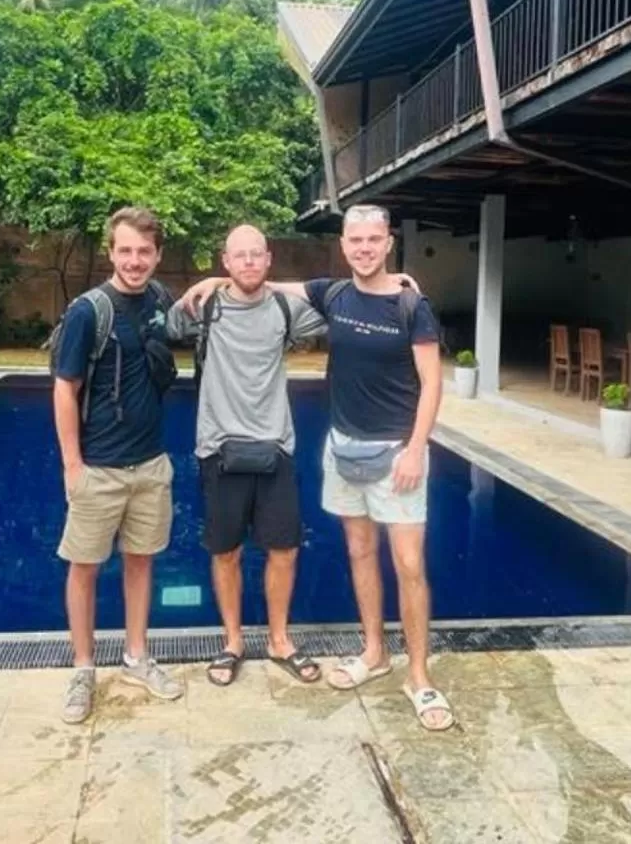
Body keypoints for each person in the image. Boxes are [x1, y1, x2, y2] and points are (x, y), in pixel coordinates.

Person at [180, 205, 449, 730]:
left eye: (373, 240)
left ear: (388, 243)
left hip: (397, 450)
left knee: (409, 565)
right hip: (344, 448)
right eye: (355, 240)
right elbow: (264, 282)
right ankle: (374, 653)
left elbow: (433, 382)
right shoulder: (333, 294)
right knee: (360, 553)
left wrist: (418, 447)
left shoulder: (412, 306)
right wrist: (217, 279)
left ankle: (420, 676)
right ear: (343, 245)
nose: (364, 248)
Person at [167, 225, 329, 688]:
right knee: (226, 551)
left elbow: (337, 307)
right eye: (239, 256)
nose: (249, 262)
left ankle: (279, 639)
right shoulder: (206, 306)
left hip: (275, 445)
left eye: (256, 254)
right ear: (226, 260)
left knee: (284, 549)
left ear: (269, 259)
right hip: (219, 448)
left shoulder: (285, 308)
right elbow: (168, 324)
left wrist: (394, 281)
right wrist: (209, 285)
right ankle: (233, 641)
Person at [50, 206, 185, 724]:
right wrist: (72, 465)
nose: (134, 261)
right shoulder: (89, 311)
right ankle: (83, 668)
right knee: (84, 568)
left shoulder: (160, 300)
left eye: (144, 252)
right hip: (99, 469)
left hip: (150, 465)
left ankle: (136, 656)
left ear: (157, 255)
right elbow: (65, 389)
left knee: (140, 562)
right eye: (125, 250)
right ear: (110, 252)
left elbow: (210, 300)